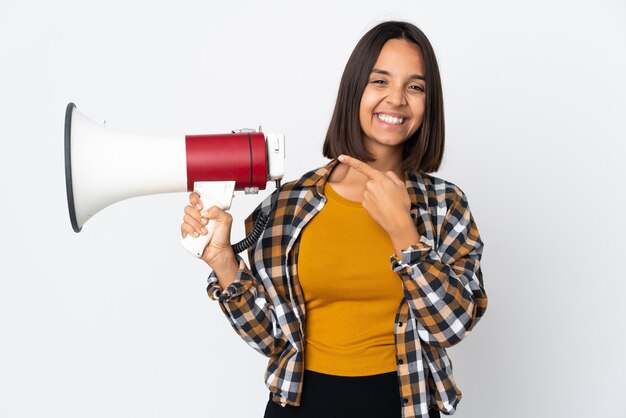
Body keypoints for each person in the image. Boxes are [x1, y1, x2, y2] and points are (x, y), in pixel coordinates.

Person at [181, 21, 487, 418]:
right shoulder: (288, 205)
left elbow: (453, 326)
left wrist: (402, 231)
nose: (396, 99)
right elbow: (272, 338)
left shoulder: (445, 205)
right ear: (355, 89)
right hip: (302, 405)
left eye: (415, 87)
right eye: (380, 81)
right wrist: (223, 260)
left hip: (403, 404)